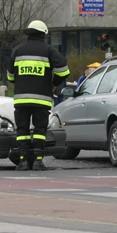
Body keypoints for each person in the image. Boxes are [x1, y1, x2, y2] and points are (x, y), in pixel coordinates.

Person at [7, 20, 70, 171]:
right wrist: (54, 83)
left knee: (22, 130)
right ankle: (37, 162)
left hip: (21, 99)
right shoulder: (49, 51)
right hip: (41, 99)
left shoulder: (18, 50)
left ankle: (23, 162)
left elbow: (10, 76)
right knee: (40, 131)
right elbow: (64, 71)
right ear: (43, 34)